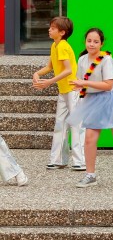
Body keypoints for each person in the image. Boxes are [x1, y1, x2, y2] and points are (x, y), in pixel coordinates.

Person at [67, 28, 113, 188]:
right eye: (89, 41)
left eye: (95, 41)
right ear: (85, 42)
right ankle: (90, 175)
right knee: (89, 139)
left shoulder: (106, 59)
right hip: (93, 98)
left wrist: (84, 84)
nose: (92, 44)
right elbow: (82, 81)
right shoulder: (82, 60)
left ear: (101, 43)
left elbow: (108, 85)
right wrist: (79, 88)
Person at [32, 16, 85, 170]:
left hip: (72, 90)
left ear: (62, 32)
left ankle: (79, 161)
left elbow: (68, 70)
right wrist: (37, 74)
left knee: (75, 125)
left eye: (53, 28)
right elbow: (50, 66)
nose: (49, 29)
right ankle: (58, 159)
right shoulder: (54, 46)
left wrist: (49, 82)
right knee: (60, 124)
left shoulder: (62, 46)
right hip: (64, 91)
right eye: (50, 27)